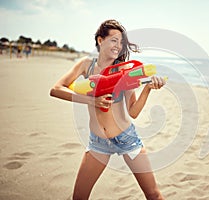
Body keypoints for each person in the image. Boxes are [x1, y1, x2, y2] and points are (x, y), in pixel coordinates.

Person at [50, 19, 165, 200]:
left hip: (127, 139)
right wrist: (91, 100)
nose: (118, 46)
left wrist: (148, 88)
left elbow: (133, 111)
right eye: (114, 40)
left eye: (121, 42)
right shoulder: (86, 65)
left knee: (153, 195)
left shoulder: (124, 70)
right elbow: (56, 89)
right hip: (98, 142)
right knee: (79, 197)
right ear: (100, 40)